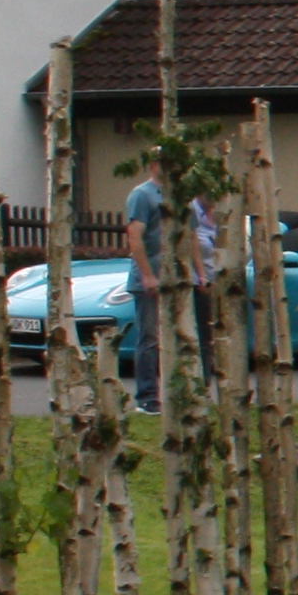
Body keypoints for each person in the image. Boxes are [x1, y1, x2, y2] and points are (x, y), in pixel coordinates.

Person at [119, 150, 167, 414]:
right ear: (152, 165)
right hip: (150, 277)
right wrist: (147, 274)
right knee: (149, 337)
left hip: (173, 278)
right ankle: (147, 396)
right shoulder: (142, 195)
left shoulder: (177, 195)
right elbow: (135, 237)